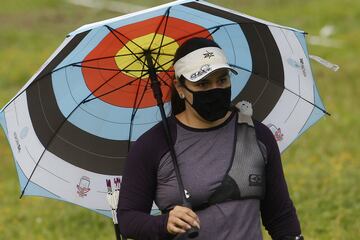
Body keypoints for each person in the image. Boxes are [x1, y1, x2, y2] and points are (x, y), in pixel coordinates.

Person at [117, 37, 303, 240]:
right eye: (203, 84)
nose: (215, 90)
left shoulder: (257, 135)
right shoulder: (153, 145)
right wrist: (164, 223)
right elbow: (128, 219)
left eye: (222, 80)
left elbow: (280, 215)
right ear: (180, 88)